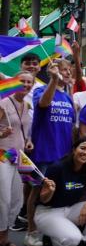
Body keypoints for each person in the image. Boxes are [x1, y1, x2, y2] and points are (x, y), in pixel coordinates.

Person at [28, 60, 76, 246]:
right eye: (64, 69)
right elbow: (43, 103)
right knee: (37, 192)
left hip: (63, 155)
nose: (67, 72)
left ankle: (50, 231)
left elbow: (70, 127)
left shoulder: (68, 97)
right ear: (53, 71)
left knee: (56, 193)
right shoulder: (42, 90)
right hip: (44, 153)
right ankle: (32, 232)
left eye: (69, 70)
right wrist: (54, 80)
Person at [34, 137, 86, 246]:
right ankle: (59, 237)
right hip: (47, 212)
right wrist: (50, 191)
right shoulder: (57, 167)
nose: (85, 152)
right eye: (82, 148)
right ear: (74, 149)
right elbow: (43, 199)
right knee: (73, 239)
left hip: (70, 209)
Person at [0, 71, 34, 246]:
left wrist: (28, 142)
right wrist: (1, 133)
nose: (26, 85)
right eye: (22, 81)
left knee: (16, 199)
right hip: (3, 155)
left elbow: (25, 131)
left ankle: (4, 236)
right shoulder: (3, 103)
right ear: (14, 81)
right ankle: (2, 238)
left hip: (19, 157)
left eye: (29, 82)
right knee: (3, 199)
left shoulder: (27, 105)